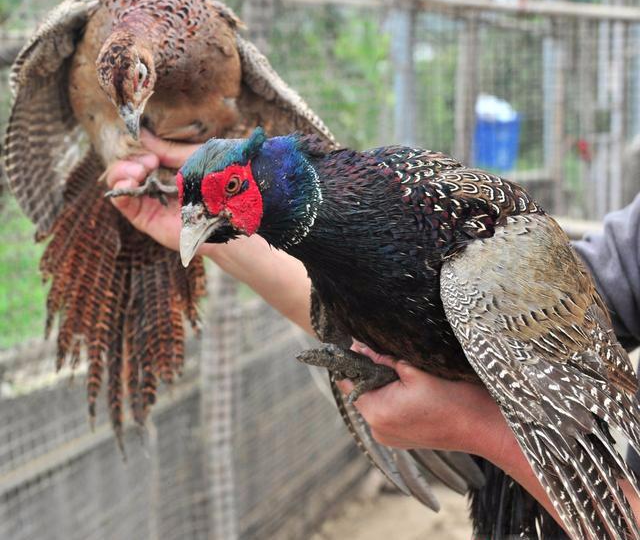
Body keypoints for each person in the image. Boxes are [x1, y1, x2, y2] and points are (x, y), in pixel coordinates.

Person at [107, 129, 640, 531]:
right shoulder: (365, 232)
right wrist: (198, 219)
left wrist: (475, 427)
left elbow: (534, 323)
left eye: (235, 188)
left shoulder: (482, 249)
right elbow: (374, 296)